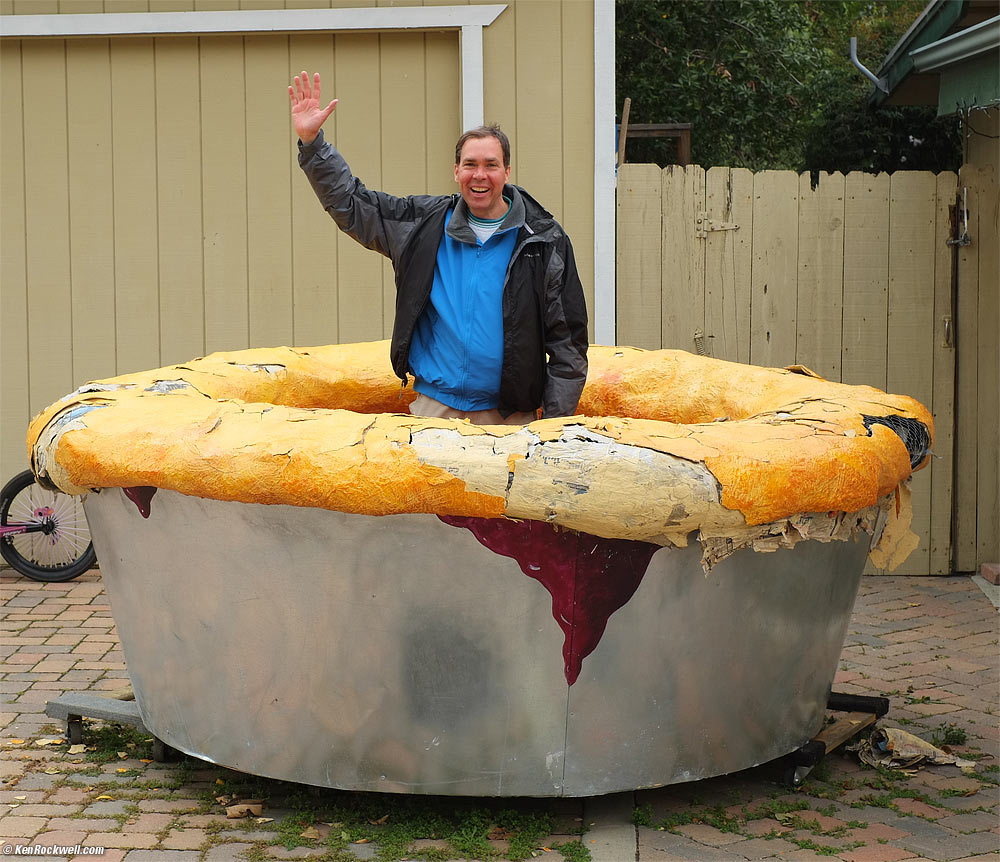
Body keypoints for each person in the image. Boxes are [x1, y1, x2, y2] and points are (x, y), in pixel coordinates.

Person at [288, 71, 588, 424]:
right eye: (470, 165)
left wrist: (553, 427)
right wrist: (313, 144)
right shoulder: (424, 224)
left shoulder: (543, 240)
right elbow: (353, 204)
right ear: (456, 171)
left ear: (507, 171)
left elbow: (568, 344)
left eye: (491, 165)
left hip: (511, 419)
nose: (480, 175)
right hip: (435, 411)